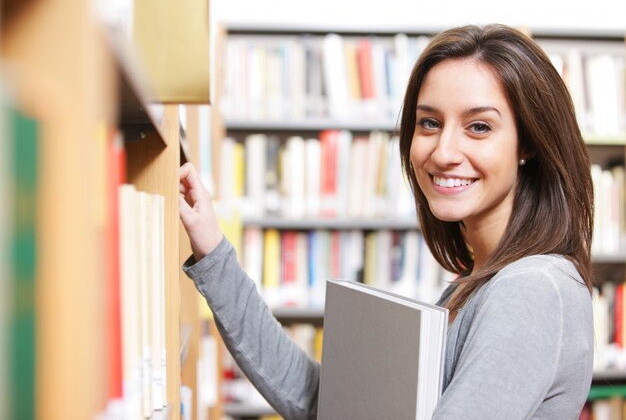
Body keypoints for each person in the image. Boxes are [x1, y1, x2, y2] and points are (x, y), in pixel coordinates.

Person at [179, 23, 594, 420]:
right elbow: (327, 406)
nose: (444, 151)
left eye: (479, 127)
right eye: (429, 122)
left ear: (529, 144)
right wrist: (214, 252)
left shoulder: (533, 288)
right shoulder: (476, 285)